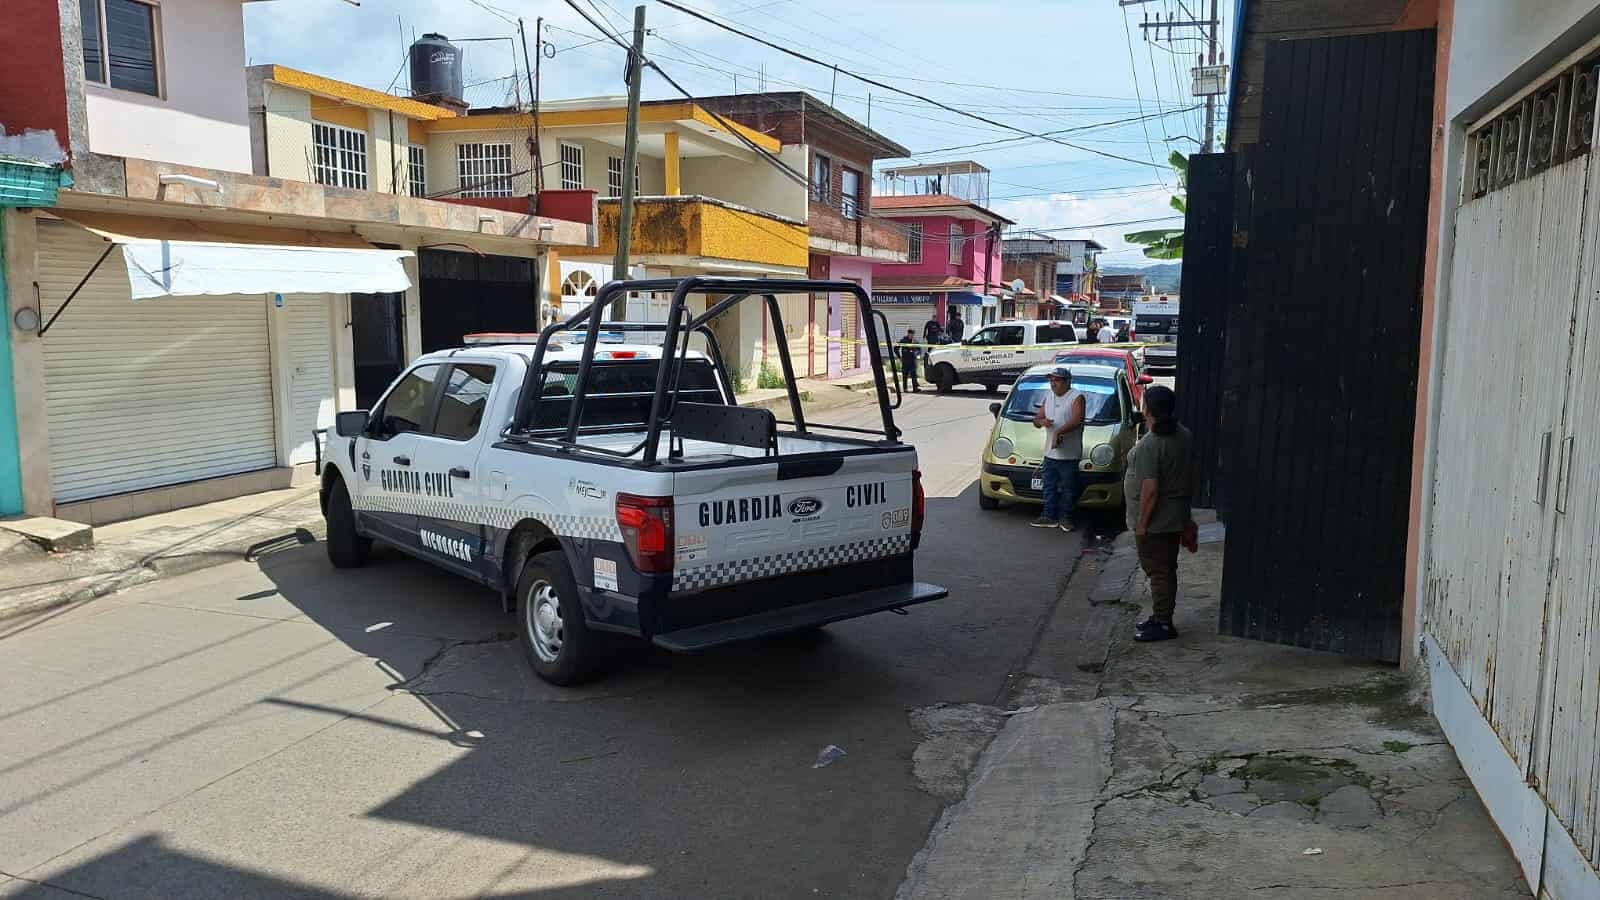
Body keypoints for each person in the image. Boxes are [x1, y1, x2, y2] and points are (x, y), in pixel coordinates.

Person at [1124, 384, 1195, 642]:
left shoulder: (1152, 444)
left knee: (1159, 570)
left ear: (1148, 410)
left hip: (1157, 521)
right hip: (1173, 514)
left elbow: (1150, 489)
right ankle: (1160, 615)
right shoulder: (1183, 434)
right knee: (1163, 567)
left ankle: (1163, 622)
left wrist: (1142, 524)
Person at [1030, 366, 1086, 531]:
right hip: (1050, 454)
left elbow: (1077, 420)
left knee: (1069, 488)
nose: (1053, 384)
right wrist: (1042, 422)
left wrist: (1059, 432)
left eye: (1057, 380)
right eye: (1051, 380)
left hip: (1069, 455)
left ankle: (1066, 518)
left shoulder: (1076, 397)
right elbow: (1036, 419)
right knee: (1049, 486)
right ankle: (1049, 516)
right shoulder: (1049, 397)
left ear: (1067, 382)